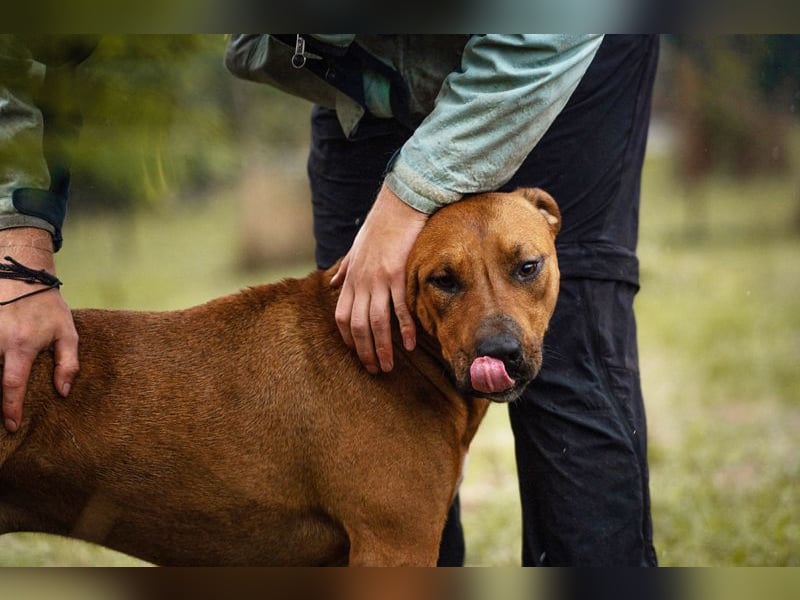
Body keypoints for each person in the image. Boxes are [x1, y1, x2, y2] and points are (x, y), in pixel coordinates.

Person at [1, 34, 658, 566]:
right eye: (447, 284)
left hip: (555, 56)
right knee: (363, 342)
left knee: (575, 373)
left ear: (550, 221)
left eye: (526, 271)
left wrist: (407, 202)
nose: (494, 324)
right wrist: (15, 244)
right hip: (361, 69)